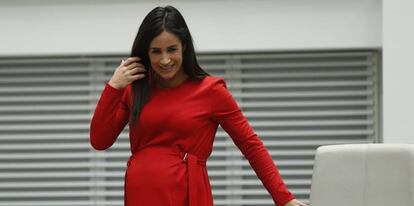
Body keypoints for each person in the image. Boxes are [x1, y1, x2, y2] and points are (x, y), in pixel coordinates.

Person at [90, 5, 307, 206]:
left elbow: (250, 144)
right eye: (156, 51)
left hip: (186, 194)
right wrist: (114, 87)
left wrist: (283, 198)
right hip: (140, 195)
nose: (165, 60)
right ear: (146, 53)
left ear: (184, 46)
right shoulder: (135, 88)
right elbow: (100, 141)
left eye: (171, 49)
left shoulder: (211, 91)